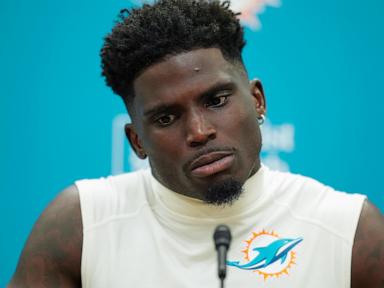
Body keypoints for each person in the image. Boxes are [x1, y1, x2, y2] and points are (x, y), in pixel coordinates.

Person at [9, 0, 384, 287]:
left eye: (217, 100)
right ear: (137, 140)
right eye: (166, 118)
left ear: (257, 101)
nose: (199, 131)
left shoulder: (350, 229)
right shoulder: (81, 225)